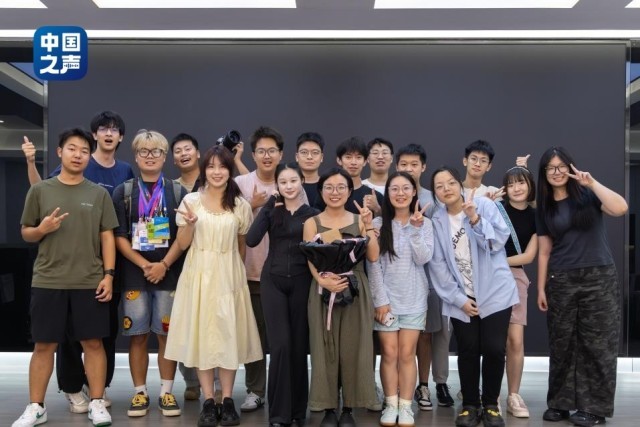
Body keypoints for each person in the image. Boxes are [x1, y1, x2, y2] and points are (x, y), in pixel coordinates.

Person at [21, 111, 133, 414]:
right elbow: (33, 216)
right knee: (51, 342)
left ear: (120, 137)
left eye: (83, 150)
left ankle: (97, 396)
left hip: (93, 274)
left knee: (97, 339)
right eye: (73, 148)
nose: (78, 154)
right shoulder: (47, 186)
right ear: (61, 152)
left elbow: (109, 234)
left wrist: (108, 273)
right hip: (51, 277)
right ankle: (51, 399)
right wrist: (42, 228)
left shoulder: (115, 178)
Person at [165, 145, 262, 427]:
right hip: (198, 275)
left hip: (229, 275)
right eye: (211, 167)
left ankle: (227, 399)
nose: (217, 172)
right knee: (203, 336)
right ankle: (208, 401)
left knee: (228, 335)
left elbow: (242, 244)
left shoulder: (240, 205)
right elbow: (183, 244)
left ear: (229, 171)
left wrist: (237, 276)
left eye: (222, 167)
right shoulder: (191, 201)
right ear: (204, 170)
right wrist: (189, 225)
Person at [536, 147, 627, 427]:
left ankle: (594, 409)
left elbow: (620, 208)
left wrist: (592, 183)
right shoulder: (545, 206)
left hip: (598, 277)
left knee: (598, 344)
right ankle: (560, 403)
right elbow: (544, 251)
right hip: (561, 279)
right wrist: (540, 288)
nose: (557, 172)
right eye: (551, 168)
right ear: (544, 173)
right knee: (562, 343)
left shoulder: (588, 195)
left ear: (571, 167)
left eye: (561, 166)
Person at [428, 166, 518, 427]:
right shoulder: (437, 221)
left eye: (450, 182)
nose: (446, 189)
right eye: (439, 186)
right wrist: (459, 300)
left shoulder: (484, 206)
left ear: (460, 184)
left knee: (494, 348)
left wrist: (475, 218)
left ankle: (491, 405)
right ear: (435, 193)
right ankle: (470, 405)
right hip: (461, 297)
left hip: (495, 292)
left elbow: (498, 241)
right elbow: (438, 265)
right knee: (467, 349)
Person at [112, 130, 187, 418]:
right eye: (144, 151)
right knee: (138, 335)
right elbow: (119, 237)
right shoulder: (124, 192)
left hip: (169, 274)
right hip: (135, 275)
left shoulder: (178, 192)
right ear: (135, 156)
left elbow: (184, 237)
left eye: (156, 151)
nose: (150, 156)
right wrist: (145, 265)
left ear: (165, 156)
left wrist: (163, 265)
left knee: (167, 336)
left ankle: (167, 392)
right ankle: (140, 393)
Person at [303, 168, 380, 427]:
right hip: (322, 288)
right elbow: (310, 258)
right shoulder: (312, 222)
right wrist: (321, 280)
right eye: (329, 187)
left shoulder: (360, 219)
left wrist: (369, 225)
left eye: (340, 187)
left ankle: (348, 408)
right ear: (321, 191)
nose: (334, 192)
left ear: (349, 192)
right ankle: (327, 407)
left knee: (353, 347)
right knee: (324, 347)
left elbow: (373, 256)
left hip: (354, 287)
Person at [246, 163, 319, 427]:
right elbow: (251, 239)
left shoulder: (312, 214)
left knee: (298, 346)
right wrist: (267, 206)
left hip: (302, 281)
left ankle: (298, 412)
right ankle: (278, 414)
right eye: (283, 182)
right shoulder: (271, 212)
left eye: (293, 181)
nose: (289, 186)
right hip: (273, 281)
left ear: (301, 182)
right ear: (277, 185)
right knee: (280, 346)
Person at [367, 171, 433, 427]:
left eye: (406, 188)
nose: (400, 193)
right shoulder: (377, 224)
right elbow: (373, 264)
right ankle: (391, 403)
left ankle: (406, 406)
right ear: (388, 193)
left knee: (407, 354)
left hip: (414, 300)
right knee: (389, 353)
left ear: (414, 192)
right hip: (387, 302)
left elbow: (423, 259)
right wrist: (380, 301)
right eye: (394, 189)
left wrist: (415, 230)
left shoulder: (425, 224)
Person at [395, 144, 455, 410]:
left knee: (431, 334)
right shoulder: (393, 194)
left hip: (432, 278)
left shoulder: (434, 198)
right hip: (400, 279)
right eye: (404, 164)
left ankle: (431, 384)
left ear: (423, 167)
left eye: (414, 164)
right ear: (397, 166)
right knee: (400, 338)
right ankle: (399, 388)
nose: (409, 169)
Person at [234, 126, 285, 413]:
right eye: (261, 151)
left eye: (272, 151)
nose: (267, 156)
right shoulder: (239, 184)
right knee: (253, 337)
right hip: (248, 273)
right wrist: (250, 206)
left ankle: (280, 388)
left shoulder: (290, 182)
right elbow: (227, 222)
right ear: (252, 155)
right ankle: (255, 390)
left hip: (281, 274)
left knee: (280, 336)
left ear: (281, 154)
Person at [497, 165, 537, 419]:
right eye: (511, 184)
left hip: (515, 278)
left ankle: (513, 394)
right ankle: (491, 395)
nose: (516, 188)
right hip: (489, 280)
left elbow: (529, 256)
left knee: (515, 340)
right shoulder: (495, 208)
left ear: (530, 185)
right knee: (492, 341)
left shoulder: (536, 216)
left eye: (521, 182)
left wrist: (497, 261)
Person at [315, 137, 384, 217]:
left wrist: (377, 209)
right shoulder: (328, 193)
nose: (353, 162)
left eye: (358, 157)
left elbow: (387, 222)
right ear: (339, 160)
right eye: (348, 157)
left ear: (365, 161)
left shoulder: (374, 197)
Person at [295, 131, 325, 208]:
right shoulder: (288, 186)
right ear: (297, 157)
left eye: (315, 153)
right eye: (304, 152)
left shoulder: (327, 186)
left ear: (321, 157)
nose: (309, 157)